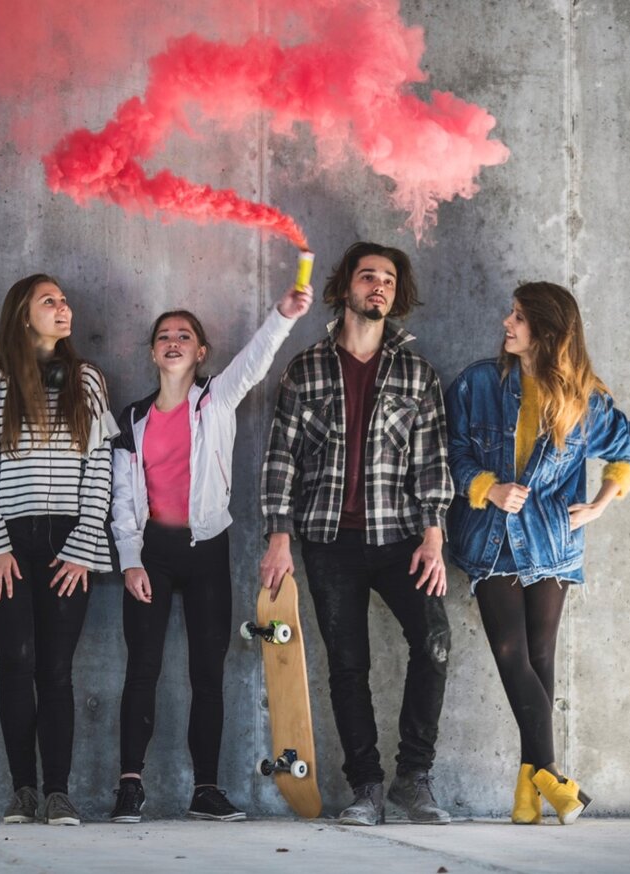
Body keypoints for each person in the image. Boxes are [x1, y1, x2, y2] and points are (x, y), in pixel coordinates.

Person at [259, 242, 454, 826]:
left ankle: (413, 780)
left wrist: (434, 535)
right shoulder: (306, 368)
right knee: (347, 664)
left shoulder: (417, 373)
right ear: (345, 287)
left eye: (388, 280)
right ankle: (367, 786)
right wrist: (278, 535)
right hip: (327, 539)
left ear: (397, 294)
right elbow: (280, 459)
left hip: (402, 538)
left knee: (435, 644)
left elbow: (431, 461)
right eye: (367, 276)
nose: (378, 287)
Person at [108, 281, 313, 824]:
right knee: (142, 668)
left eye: (184, 335)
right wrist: (129, 560)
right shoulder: (129, 421)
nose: (173, 341)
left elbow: (254, 362)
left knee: (208, 672)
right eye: (163, 336)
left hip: (207, 552)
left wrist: (283, 316)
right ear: (153, 352)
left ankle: (205, 789)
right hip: (152, 553)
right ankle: (130, 786)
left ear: (200, 353)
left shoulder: (216, 399)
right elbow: (123, 500)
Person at [445, 281, 630, 825]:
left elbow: (628, 450)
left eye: (519, 318)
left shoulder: (585, 401)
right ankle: (552, 777)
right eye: (510, 314)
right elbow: (453, 450)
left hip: (554, 542)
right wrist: (487, 486)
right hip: (489, 542)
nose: (507, 324)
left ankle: (528, 796)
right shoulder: (477, 383)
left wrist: (601, 504)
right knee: (511, 653)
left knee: (540, 659)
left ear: (547, 332)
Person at [0, 273, 116, 826]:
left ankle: (58, 792)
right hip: (4, 545)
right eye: (50, 302)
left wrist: (84, 546)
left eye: (66, 300)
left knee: (58, 670)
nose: (63, 308)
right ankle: (22, 790)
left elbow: (99, 470)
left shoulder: (87, 381)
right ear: (24, 315)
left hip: (70, 542)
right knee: (17, 663)